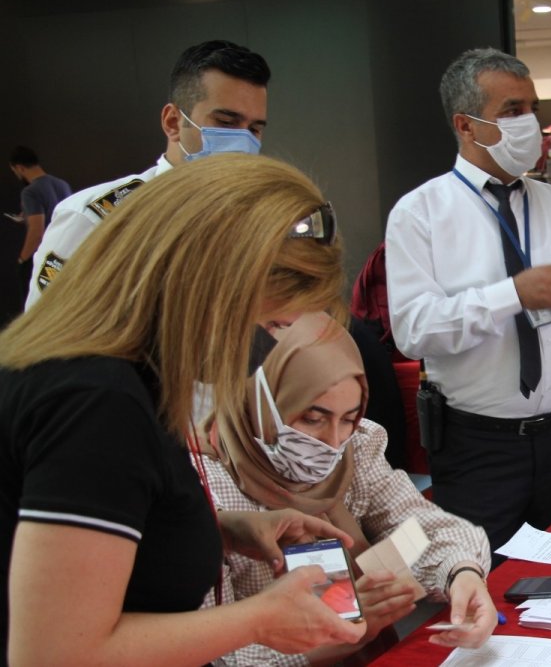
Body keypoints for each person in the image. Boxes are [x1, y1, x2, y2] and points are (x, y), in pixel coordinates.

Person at [0, 154, 367, 664]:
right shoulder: (95, 402)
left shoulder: (116, 380)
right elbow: (56, 654)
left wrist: (220, 529)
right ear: (202, 289)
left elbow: (106, 524)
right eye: (268, 324)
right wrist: (261, 619)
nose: (265, 350)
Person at [385, 48, 551, 557]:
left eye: (533, 109)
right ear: (466, 125)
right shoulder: (420, 214)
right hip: (478, 448)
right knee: (488, 592)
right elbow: (415, 329)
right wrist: (511, 296)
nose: (532, 125)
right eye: (513, 111)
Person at [201, 312, 496, 665]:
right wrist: (336, 637)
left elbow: (416, 526)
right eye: (312, 418)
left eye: (348, 418)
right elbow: (214, 652)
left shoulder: (356, 450)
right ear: (262, 402)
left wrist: (461, 574)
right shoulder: (207, 487)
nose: (332, 442)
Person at [25, 39, 269, 308]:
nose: (242, 139)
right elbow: (46, 341)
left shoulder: (254, 219)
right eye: (225, 122)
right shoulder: (96, 218)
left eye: (254, 129)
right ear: (173, 122)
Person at [8, 146, 71, 292]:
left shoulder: (30, 192)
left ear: (19, 168)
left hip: (43, 260)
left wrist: (22, 260)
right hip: (65, 255)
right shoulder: (62, 184)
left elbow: (37, 232)